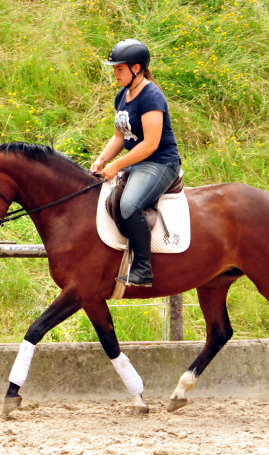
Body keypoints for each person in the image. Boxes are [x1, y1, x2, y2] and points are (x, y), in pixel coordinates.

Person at [90, 39, 182, 287]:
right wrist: (102, 159)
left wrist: (117, 165)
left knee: (129, 204)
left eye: (119, 69)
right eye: (114, 69)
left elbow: (151, 144)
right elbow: (120, 136)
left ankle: (143, 269)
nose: (115, 74)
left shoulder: (151, 96)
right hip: (136, 161)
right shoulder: (123, 95)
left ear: (137, 68)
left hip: (159, 163)